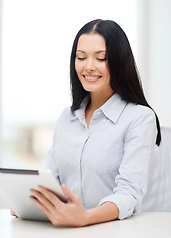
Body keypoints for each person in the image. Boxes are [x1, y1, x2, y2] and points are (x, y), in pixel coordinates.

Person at [13, 19, 161, 226]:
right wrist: (31, 201)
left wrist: (85, 218)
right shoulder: (67, 117)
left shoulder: (139, 118)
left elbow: (129, 193)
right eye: (81, 57)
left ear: (119, 62)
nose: (89, 66)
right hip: (65, 229)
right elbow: (52, 181)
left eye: (101, 58)